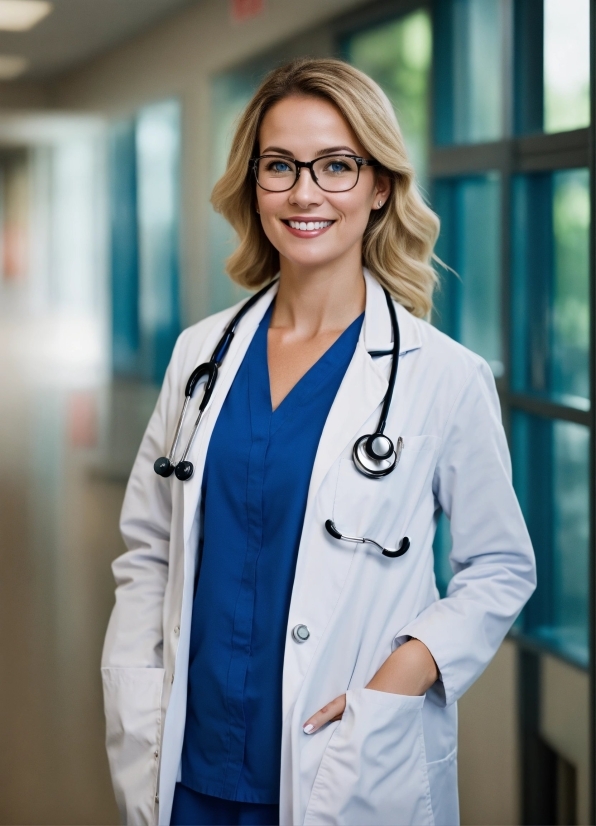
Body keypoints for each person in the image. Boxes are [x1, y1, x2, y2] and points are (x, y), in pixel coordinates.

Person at [101, 58, 536, 826]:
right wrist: (135, 676)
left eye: (336, 165)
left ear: (379, 186)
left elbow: (500, 566)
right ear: (254, 184)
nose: (305, 193)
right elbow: (149, 548)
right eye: (281, 166)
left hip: (346, 757)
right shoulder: (200, 355)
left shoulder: (443, 376)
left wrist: (404, 673)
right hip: (189, 755)